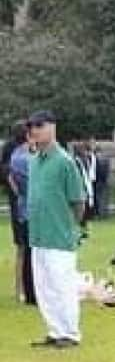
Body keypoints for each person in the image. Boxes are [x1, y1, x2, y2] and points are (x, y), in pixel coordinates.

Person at [25, 110, 87, 348]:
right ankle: (55, 330)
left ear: (52, 128)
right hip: (38, 234)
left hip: (59, 234)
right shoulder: (34, 162)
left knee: (62, 285)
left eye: (39, 126)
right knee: (44, 286)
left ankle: (70, 333)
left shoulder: (64, 161)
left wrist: (73, 226)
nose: (34, 131)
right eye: (32, 127)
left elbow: (77, 200)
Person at [5, 121, 37, 305]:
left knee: (23, 249)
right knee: (26, 249)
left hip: (20, 205)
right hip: (26, 207)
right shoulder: (24, 157)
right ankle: (25, 290)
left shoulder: (16, 154)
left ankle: (21, 290)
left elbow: (9, 177)